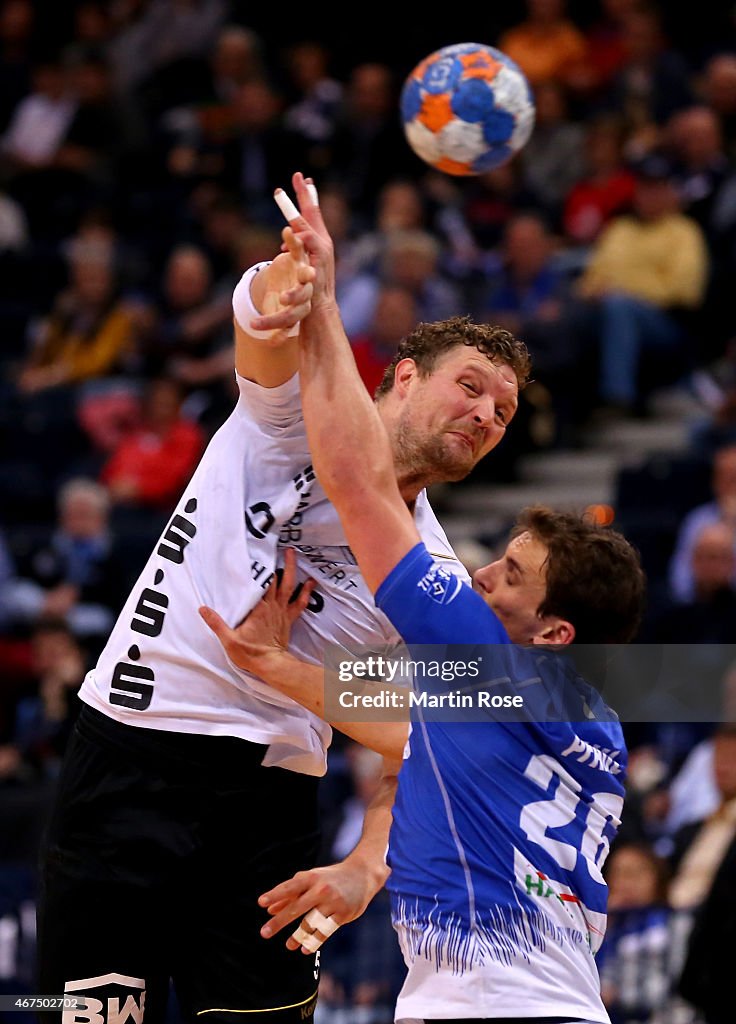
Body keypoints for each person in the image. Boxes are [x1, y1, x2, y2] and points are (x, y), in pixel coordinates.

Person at [37, 185, 531, 1023]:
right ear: (403, 377)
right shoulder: (289, 419)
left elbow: (434, 740)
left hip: (269, 806)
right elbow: (263, 329)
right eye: (472, 387)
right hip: (131, 758)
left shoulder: (433, 572)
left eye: (504, 412)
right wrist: (288, 285)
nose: (486, 415)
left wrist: (368, 865)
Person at [201, 172, 646, 1024]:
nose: (480, 578)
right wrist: (277, 668)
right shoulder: (588, 719)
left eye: (508, 578)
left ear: (553, 631)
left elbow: (361, 484)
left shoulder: (485, 655)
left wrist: (326, 299)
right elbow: (399, 712)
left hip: (488, 1008)